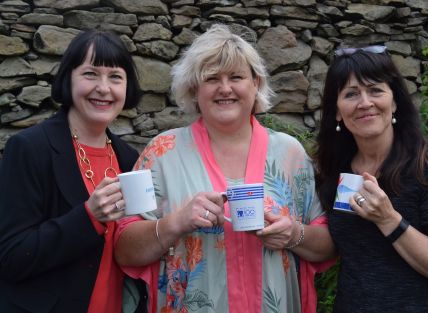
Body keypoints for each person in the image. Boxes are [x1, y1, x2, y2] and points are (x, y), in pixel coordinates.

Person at [114, 24, 335, 313]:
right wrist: (176, 222)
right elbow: (124, 249)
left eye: (237, 77)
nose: (225, 88)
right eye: (212, 78)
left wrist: (294, 235)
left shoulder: (289, 153)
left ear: (255, 84)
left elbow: (327, 245)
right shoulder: (162, 152)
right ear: (194, 89)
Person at [314, 45, 428, 312]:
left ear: (394, 101)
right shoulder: (333, 171)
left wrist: (389, 219)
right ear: (337, 111)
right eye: (351, 94)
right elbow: (333, 247)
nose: (365, 103)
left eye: (375, 90)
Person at [0, 29, 145, 313]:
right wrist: (89, 217)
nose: (104, 88)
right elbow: (10, 256)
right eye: (90, 74)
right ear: (68, 78)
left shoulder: (128, 158)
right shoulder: (30, 149)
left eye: (115, 77)